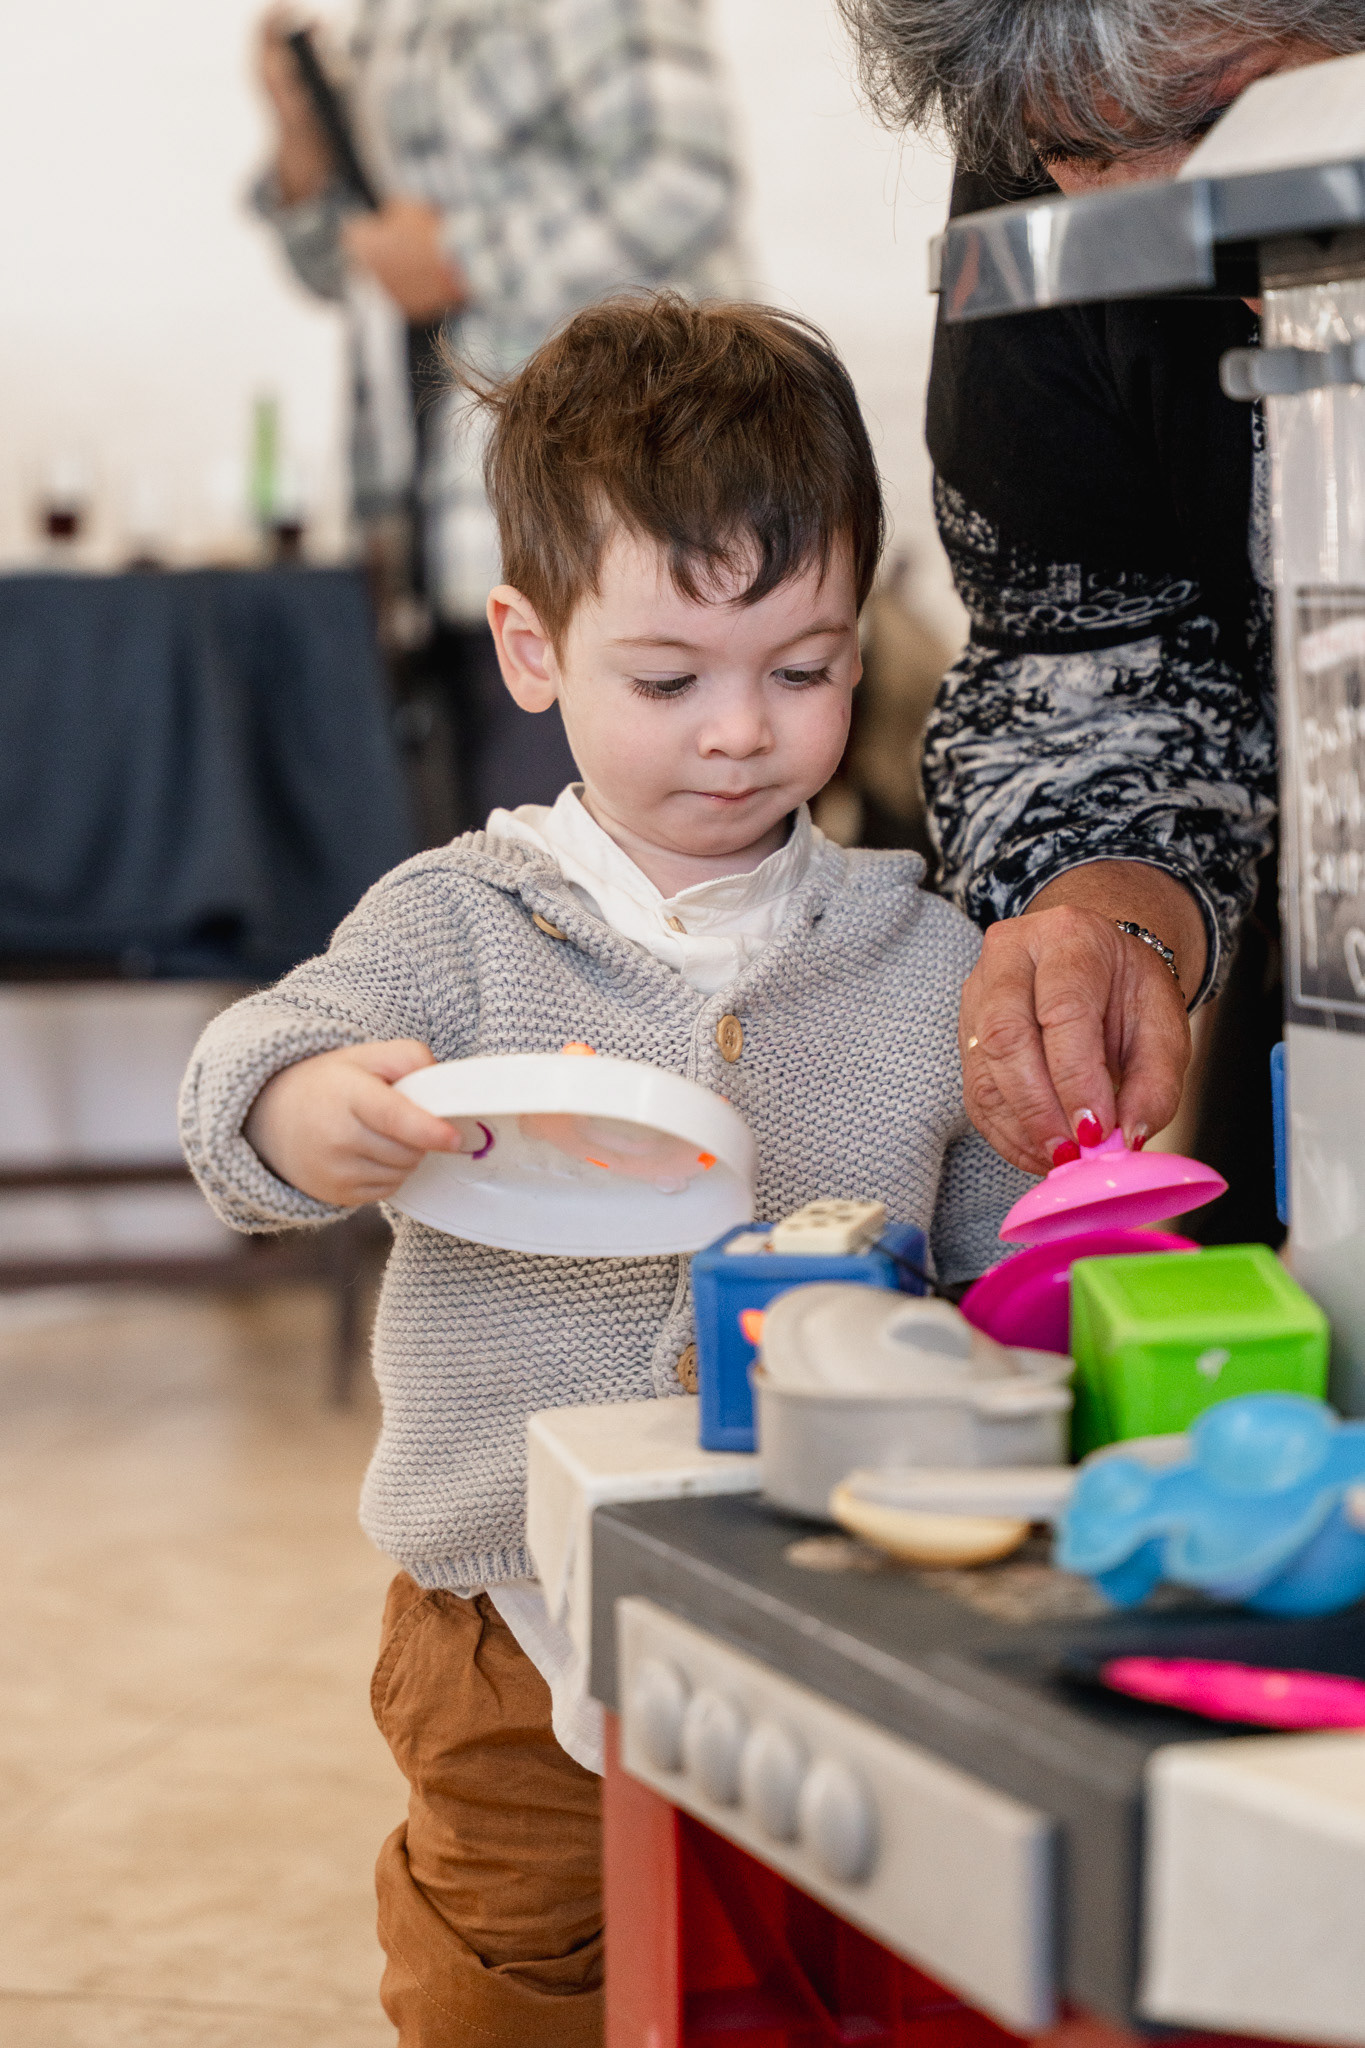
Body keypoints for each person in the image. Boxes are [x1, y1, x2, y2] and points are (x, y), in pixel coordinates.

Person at [179, 293, 1030, 2047]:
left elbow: (998, 1267)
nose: (739, 731)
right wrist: (308, 1111)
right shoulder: (457, 922)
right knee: (520, 1987)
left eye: (801, 669)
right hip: (510, 1619)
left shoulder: (922, 950)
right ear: (530, 644)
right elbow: (240, 1082)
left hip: (828, 1610)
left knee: (797, 1978)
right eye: (669, 678)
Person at [835, 0, 1365, 1221]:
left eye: (1227, 114)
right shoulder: (1043, 92)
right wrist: (1109, 912)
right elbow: (1090, 664)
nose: (1181, 231)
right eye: (1083, 157)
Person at [254, 1, 744, 831]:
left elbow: (685, 177)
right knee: (479, 887)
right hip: (436, 528)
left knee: (592, 881)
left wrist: (459, 255)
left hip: (609, 520)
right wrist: (304, 145)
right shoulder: (389, 22)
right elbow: (349, 271)